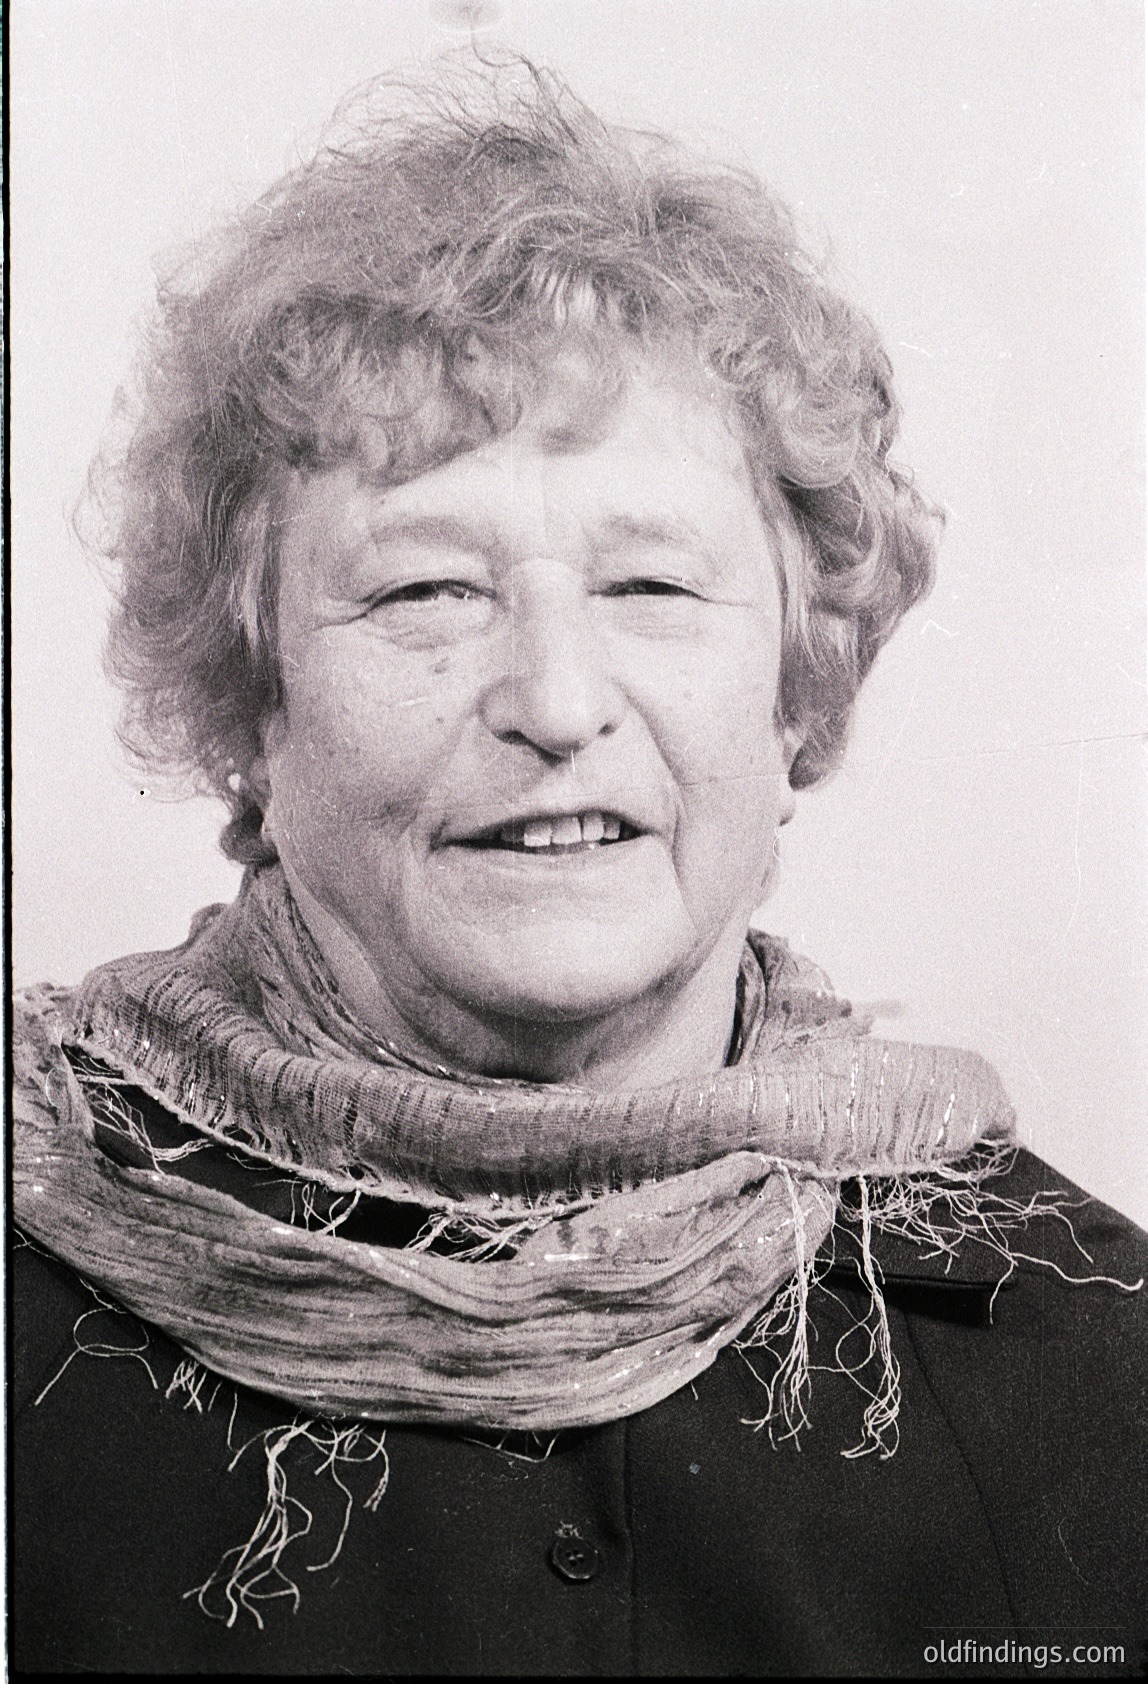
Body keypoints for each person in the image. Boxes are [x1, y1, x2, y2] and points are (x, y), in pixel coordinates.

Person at [12, 62, 1145, 1677]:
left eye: (653, 587)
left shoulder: (1102, 1367)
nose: (554, 700)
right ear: (250, 712)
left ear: (794, 695)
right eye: (424, 594)